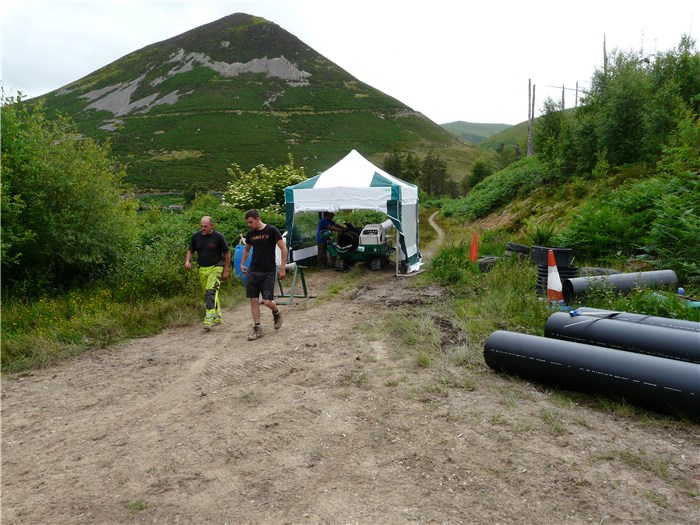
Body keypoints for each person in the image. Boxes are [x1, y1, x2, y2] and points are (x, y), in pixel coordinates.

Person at [240, 209, 288, 341]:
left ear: (257, 219)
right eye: (248, 223)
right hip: (253, 270)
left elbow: (283, 248)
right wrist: (242, 263)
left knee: (267, 301)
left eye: (251, 222)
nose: (249, 225)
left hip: (268, 271)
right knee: (253, 300)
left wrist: (282, 267)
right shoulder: (250, 233)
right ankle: (257, 328)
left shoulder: (271, 230)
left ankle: (276, 312)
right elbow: (247, 249)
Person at [185, 216, 231, 331]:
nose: (203, 228)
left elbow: (227, 253)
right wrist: (187, 261)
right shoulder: (196, 236)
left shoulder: (219, 237)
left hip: (216, 268)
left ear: (212, 226)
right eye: (201, 226)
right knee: (208, 294)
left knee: (211, 292)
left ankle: (208, 320)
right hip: (202, 269)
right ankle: (217, 316)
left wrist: (226, 270)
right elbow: (191, 250)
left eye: (205, 226)